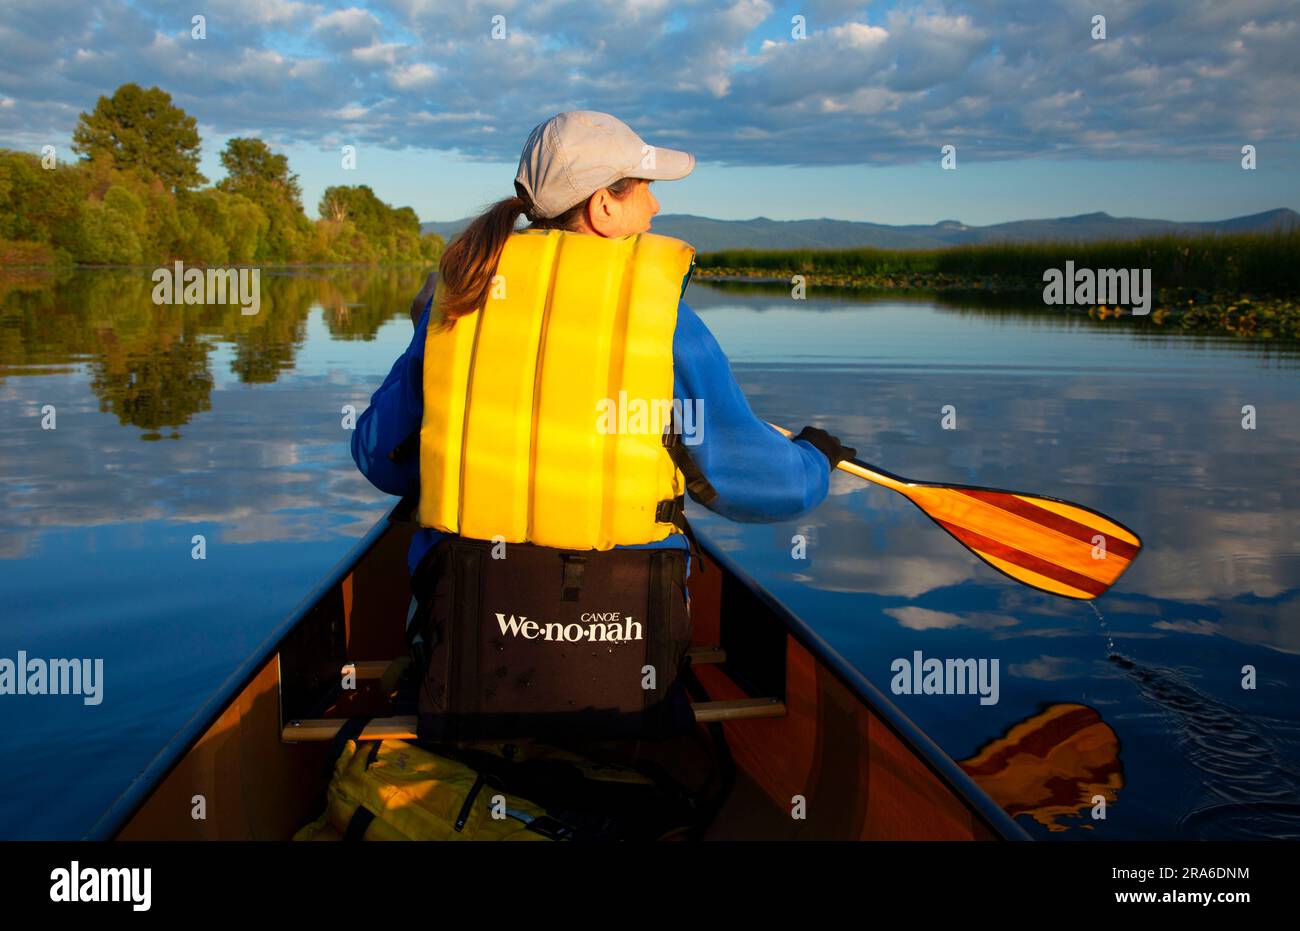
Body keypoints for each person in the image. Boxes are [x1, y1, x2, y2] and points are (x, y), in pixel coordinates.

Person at [351, 110, 854, 744]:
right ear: (602, 208)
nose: (655, 203)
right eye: (642, 186)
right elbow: (745, 483)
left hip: (470, 638)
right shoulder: (666, 322)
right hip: (624, 649)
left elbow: (381, 457)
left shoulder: (460, 299)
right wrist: (814, 461)